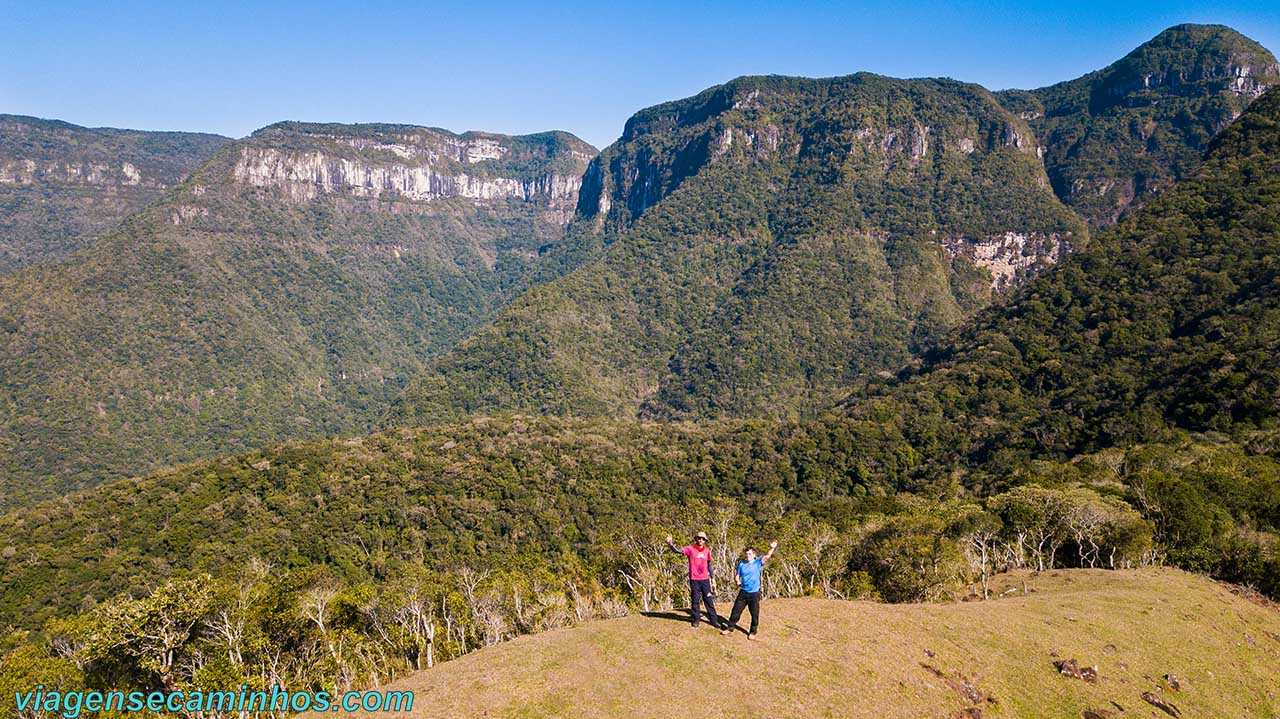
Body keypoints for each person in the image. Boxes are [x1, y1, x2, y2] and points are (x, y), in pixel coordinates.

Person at [665, 531, 723, 629]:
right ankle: (696, 619)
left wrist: (713, 578)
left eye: (703, 539)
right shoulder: (690, 549)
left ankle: (714, 620)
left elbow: (710, 565)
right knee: (695, 600)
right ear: (696, 539)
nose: (701, 540)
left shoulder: (707, 551)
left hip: (705, 579)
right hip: (694, 579)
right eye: (699, 538)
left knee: (708, 600)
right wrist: (670, 545)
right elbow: (678, 551)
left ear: (705, 541)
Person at [721, 540, 777, 639]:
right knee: (736, 611)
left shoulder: (758, 562)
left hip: (754, 593)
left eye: (750, 554)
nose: (748, 556)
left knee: (754, 614)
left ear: (754, 555)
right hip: (743, 592)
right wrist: (737, 581)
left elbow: (767, 556)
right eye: (747, 554)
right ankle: (730, 627)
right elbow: (737, 576)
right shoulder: (742, 564)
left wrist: (772, 547)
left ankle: (753, 632)